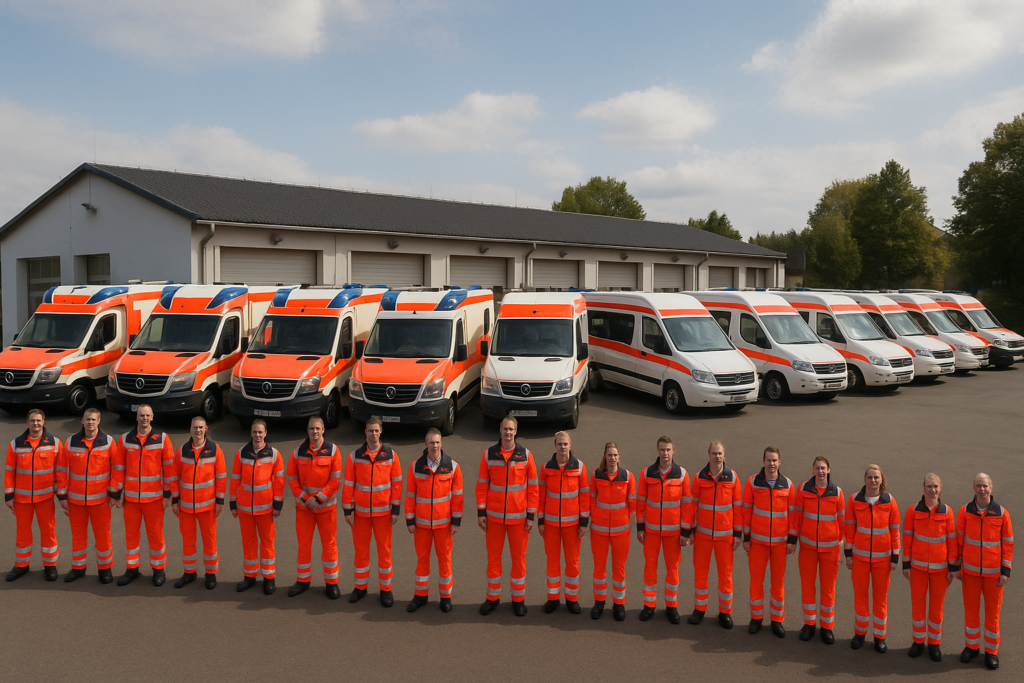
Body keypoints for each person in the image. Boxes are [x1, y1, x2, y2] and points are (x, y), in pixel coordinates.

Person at [477, 416, 539, 617]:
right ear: (500, 430)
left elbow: (533, 489)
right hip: (494, 519)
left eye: (511, 429)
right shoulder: (489, 455)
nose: (508, 432)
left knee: (518, 559)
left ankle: (518, 600)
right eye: (505, 429)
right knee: (493, 558)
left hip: (519, 520)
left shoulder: (526, 456)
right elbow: (482, 485)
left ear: (516, 431)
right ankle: (492, 598)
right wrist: (481, 512)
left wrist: (531, 516)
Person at [111, 404, 175, 586]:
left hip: (154, 499)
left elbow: (169, 469)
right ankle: (132, 569)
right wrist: (115, 493)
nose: (144, 418)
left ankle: (158, 569)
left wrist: (167, 495)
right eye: (141, 415)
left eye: (147, 415)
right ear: (136, 417)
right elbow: (118, 468)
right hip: (131, 500)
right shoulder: (125, 439)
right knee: (131, 535)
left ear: (152, 417)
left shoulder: (162, 439)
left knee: (156, 535)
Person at [342, 418, 402, 607]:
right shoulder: (354, 456)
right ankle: (360, 588)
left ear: (381, 431)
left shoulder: (391, 455)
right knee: (361, 551)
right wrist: (348, 510)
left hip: (384, 515)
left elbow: (397, 485)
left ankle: (385, 590)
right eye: (370, 431)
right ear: (365, 432)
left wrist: (395, 510)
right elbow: (348, 485)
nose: (373, 434)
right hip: (360, 515)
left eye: (376, 430)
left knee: (384, 552)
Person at [956, 472, 1013, 670]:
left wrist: (1005, 571)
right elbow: (959, 540)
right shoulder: (965, 511)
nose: (982, 489)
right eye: (978, 485)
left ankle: (991, 652)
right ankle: (971, 648)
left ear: (991, 488)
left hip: (994, 576)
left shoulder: (1001, 513)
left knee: (992, 614)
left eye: (985, 486)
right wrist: (956, 566)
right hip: (970, 574)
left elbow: (1007, 543)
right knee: (971, 613)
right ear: (974, 488)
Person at [56, 408, 119, 583]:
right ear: (81, 421)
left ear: (99, 421)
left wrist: (114, 493)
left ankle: (105, 569)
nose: (90, 422)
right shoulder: (70, 442)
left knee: (103, 536)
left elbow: (117, 469)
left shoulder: (108, 442)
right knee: (78, 536)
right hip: (76, 501)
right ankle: (78, 568)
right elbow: (61, 471)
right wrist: (62, 497)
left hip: (100, 501)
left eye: (93, 419)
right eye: (87, 419)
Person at [404, 428, 463, 613]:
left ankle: (445, 598)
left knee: (445, 560)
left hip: (444, 525)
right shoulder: (415, 466)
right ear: (425, 444)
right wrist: (409, 520)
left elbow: (458, 497)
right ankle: (420, 596)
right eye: (431, 442)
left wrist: (456, 521)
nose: (434, 445)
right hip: (421, 525)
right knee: (422, 560)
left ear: (441, 443)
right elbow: (410, 496)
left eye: (437, 442)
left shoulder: (452, 467)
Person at [741, 446, 797, 638]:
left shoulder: (788, 484)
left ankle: (777, 620)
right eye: (768, 460)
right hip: (757, 543)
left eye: (774, 460)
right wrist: (746, 538)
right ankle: (756, 619)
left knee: (778, 582)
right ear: (763, 462)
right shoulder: (752, 482)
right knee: (756, 581)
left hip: (781, 544)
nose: (771, 463)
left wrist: (791, 540)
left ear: (779, 462)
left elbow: (792, 515)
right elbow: (746, 511)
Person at [686, 441, 743, 629]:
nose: (717, 457)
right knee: (700, 573)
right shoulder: (699, 477)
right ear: (708, 454)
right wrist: (690, 531)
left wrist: (737, 534)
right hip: (702, 536)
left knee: (725, 575)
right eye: (714, 453)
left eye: (720, 453)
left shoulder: (733, 478)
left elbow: (738, 508)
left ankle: (725, 612)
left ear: (724, 455)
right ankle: (699, 609)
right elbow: (692, 506)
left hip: (725, 537)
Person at [637, 436, 693, 624]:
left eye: (668, 450)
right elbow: (641, 503)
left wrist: (685, 532)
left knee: (672, 569)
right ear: (657, 451)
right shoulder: (646, 474)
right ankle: (649, 605)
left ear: (673, 451)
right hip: (651, 532)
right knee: (650, 568)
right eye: (662, 449)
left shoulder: (682, 475)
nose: (665, 453)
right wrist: (640, 527)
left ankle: (671, 606)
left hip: (673, 534)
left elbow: (687, 505)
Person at [844, 464, 900, 653]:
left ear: (881, 479)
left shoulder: (889, 501)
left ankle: (879, 637)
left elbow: (895, 530)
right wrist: (848, 554)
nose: (873, 481)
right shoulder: (854, 500)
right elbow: (849, 529)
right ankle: (860, 633)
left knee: (880, 599)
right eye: (870, 477)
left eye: (876, 477)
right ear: (864, 479)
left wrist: (895, 557)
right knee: (860, 597)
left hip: (883, 561)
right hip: (859, 558)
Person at [902, 472, 957, 662]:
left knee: (936, 608)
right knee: (918, 607)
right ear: (923, 488)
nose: (932, 490)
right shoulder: (913, 510)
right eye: (929, 486)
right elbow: (907, 538)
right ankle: (918, 642)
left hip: (940, 571)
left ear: (940, 488)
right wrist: (906, 564)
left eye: (935, 486)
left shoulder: (947, 512)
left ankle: (934, 644)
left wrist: (952, 568)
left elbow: (952, 541)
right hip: (917, 569)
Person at [287, 416, 343, 599]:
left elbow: (335, 481)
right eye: (312, 429)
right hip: (304, 509)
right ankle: (303, 581)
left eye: (318, 428)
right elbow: (292, 479)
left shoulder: (333, 451)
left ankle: (332, 583)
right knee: (304, 545)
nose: (315, 432)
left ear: (323, 430)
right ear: (307, 430)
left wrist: (318, 500)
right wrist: (306, 499)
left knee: (329, 545)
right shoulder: (297, 453)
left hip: (326, 509)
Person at [793, 455, 845, 644]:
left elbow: (843, 522)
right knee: (807, 586)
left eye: (824, 468)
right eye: (817, 468)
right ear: (812, 470)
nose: (821, 471)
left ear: (828, 470)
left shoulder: (837, 493)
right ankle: (809, 624)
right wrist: (793, 540)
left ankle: (826, 626)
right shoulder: (803, 489)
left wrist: (840, 546)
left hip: (830, 550)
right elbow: (796, 516)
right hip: (807, 548)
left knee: (828, 588)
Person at [4, 409, 61, 581]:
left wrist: (62, 495)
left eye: (38, 420)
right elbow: (9, 472)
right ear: (27, 422)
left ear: (44, 421)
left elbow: (61, 472)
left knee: (48, 531)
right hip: (22, 499)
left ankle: (50, 565)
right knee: (23, 533)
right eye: (32, 420)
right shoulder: (16, 444)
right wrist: (9, 495)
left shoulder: (55, 443)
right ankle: (21, 565)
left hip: (45, 499)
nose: (35, 424)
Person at [169, 416, 226, 590]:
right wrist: (175, 500)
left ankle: (210, 574)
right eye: (195, 427)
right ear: (190, 429)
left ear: (206, 428)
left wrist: (219, 501)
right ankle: (189, 572)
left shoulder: (215, 450)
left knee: (209, 541)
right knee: (188, 540)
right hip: (186, 507)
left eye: (201, 427)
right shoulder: (181, 451)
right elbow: (174, 478)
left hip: (208, 506)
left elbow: (221, 478)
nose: (198, 430)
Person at [230, 419, 285, 595]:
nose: (257, 435)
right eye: (254, 432)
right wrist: (233, 504)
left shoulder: (274, 454)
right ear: (251, 433)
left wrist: (278, 505)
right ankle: (250, 576)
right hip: (245, 508)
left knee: (267, 543)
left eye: (260, 432)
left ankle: (269, 579)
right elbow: (235, 480)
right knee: (248, 543)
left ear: (265, 433)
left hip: (266, 509)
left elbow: (279, 482)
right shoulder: (241, 453)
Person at [538, 431, 590, 614]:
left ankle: (571, 599)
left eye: (565, 444)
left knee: (572, 562)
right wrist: (540, 521)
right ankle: (552, 598)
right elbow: (541, 496)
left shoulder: (580, 467)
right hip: (551, 524)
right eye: (559, 444)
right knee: (552, 561)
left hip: (573, 526)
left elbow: (585, 496)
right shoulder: (546, 468)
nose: (562, 447)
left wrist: (584, 522)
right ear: (554, 446)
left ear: (570, 445)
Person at [589, 442, 635, 621]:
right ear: (605, 457)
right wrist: (595, 516)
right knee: (599, 568)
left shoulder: (627, 477)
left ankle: (618, 603)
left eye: (615, 455)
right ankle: (599, 602)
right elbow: (591, 499)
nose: (613, 458)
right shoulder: (596, 475)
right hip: (599, 530)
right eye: (610, 455)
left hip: (621, 532)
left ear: (619, 457)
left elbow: (633, 504)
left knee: (619, 569)